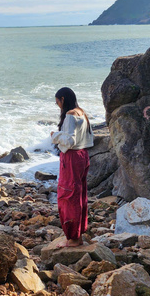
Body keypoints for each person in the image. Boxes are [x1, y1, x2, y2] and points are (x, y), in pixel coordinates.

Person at [51, 87, 94, 247]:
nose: (58, 106)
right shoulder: (81, 112)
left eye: (58, 103)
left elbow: (69, 141)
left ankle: (72, 238)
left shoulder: (70, 115)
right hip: (83, 156)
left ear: (63, 99)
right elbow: (91, 137)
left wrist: (54, 136)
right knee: (80, 195)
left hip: (72, 158)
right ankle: (78, 234)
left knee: (68, 196)